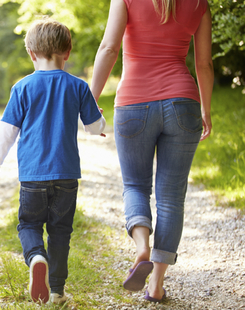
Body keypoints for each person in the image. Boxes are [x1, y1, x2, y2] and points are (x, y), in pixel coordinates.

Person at [90, 0, 213, 302]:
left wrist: (90, 101)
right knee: (171, 197)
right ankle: (156, 284)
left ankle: (141, 246)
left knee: (135, 185)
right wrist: (206, 110)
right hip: (183, 104)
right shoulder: (199, 4)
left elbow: (109, 48)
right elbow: (204, 64)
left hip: (134, 104)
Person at [0, 18, 106, 304]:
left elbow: (7, 133)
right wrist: (99, 121)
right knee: (61, 230)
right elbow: (95, 127)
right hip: (66, 175)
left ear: (31, 53)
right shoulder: (78, 86)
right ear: (68, 51)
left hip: (33, 176)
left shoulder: (22, 88)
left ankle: (36, 256)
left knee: (29, 225)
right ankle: (58, 291)